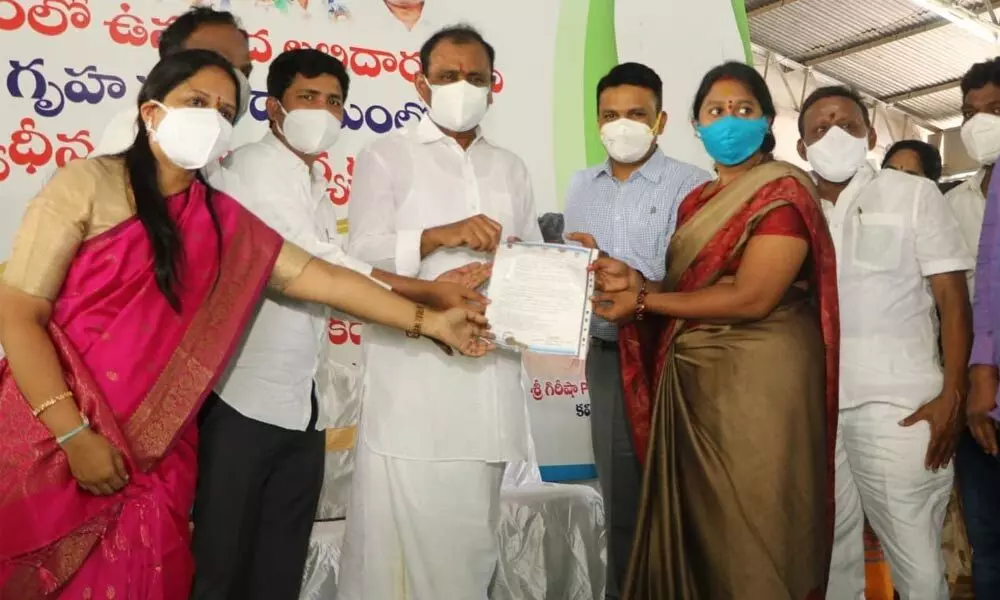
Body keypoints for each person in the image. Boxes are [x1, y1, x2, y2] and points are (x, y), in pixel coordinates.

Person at [0, 49, 491, 599]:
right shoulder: (87, 184)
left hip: (155, 451)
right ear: (151, 112)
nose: (210, 118)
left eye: (224, 110)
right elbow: (18, 311)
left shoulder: (223, 220)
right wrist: (73, 435)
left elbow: (323, 279)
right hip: (55, 434)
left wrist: (430, 322)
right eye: (196, 102)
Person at [188, 48, 491, 600]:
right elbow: (319, 272)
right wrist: (429, 296)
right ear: (274, 108)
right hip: (241, 400)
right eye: (309, 98)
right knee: (220, 568)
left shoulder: (312, 182)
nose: (323, 112)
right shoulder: (252, 171)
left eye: (334, 101)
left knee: (279, 564)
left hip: (303, 402)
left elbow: (332, 276)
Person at [588, 61, 839, 599]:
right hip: (695, 387)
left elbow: (753, 296)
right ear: (697, 125)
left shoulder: (783, 194)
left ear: (768, 119)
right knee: (703, 528)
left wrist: (643, 299)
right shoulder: (697, 201)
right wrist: (636, 281)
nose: (729, 121)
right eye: (716, 111)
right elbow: (695, 287)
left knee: (756, 523)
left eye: (744, 110)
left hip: (760, 386)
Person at [338, 25, 543, 600]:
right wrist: (439, 237)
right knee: (406, 556)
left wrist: (532, 272)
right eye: (449, 76)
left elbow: (527, 261)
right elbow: (358, 260)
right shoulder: (385, 156)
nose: (463, 87)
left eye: (476, 78)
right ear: (420, 83)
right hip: (414, 384)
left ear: (493, 87)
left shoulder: (511, 167)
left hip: (490, 382)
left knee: (471, 548)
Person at [796, 85, 973, 600]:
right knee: (830, 562)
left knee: (917, 566)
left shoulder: (911, 194)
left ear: (871, 135)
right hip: (818, 411)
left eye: (848, 125)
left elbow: (952, 300)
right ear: (803, 146)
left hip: (900, 410)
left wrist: (953, 394)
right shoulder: (793, 207)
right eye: (820, 128)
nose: (835, 135)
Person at [562, 61, 709, 600]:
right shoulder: (579, 185)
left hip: (678, 354)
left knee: (687, 494)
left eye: (635, 114)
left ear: (661, 120)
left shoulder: (694, 185)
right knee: (621, 499)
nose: (621, 125)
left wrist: (643, 284)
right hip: (606, 353)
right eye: (609, 115)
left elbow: (704, 279)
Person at [91, 6, 253, 158]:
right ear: (172, 67)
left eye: (244, 72)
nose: (235, 81)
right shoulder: (136, 135)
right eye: (219, 64)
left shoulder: (205, 143)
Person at [958, 56, 1000, 600]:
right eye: (972, 113)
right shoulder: (952, 202)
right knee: (988, 540)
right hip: (976, 392)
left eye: (995, 109)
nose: (982, 122)